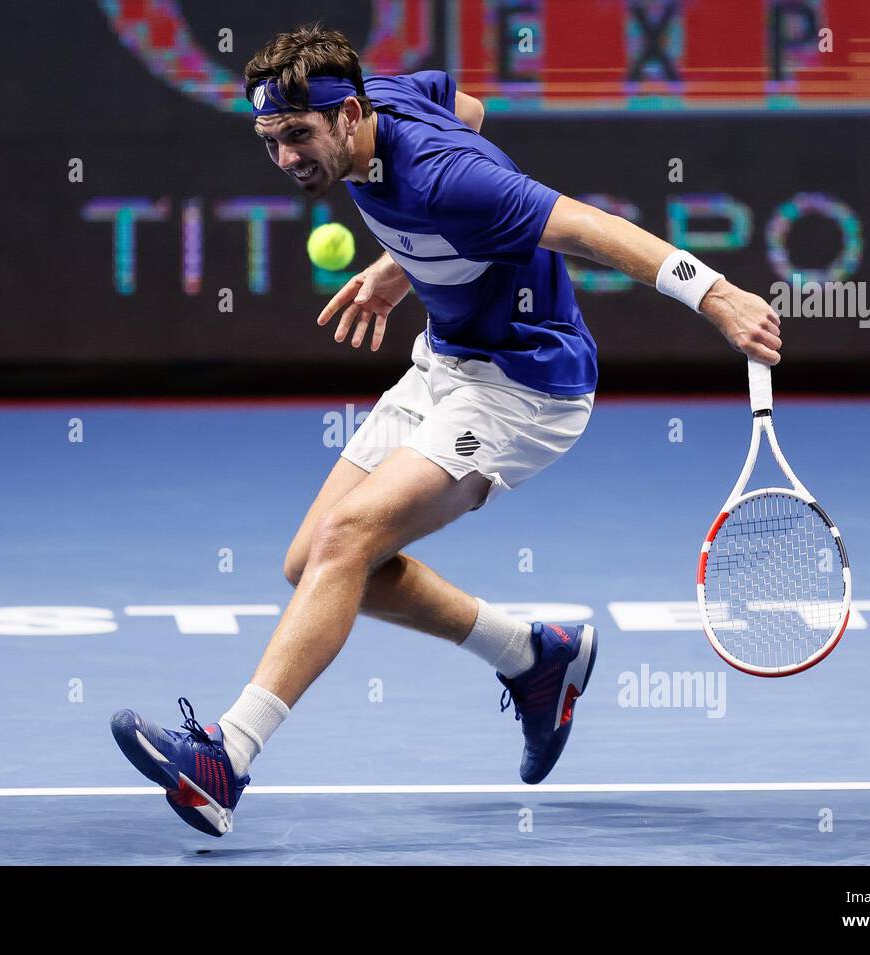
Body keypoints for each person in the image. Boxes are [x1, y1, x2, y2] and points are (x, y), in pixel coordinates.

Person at [112, 24, 782, 837]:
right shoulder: (388, 102)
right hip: (447, 359)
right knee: (312, 560)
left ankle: (228, 755)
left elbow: (593, 230)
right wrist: (406, 262)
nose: (286, 158)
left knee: (348, 539)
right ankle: (533, 655)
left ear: (350, 112)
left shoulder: (449, 183)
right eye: (269, 141)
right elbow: (467, 104)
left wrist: (716, 297)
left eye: (298, 135)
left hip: (523, 386)